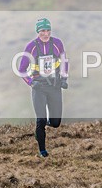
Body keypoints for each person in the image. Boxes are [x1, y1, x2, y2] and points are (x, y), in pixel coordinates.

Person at [17, 18, 68, 158]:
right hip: (38, 87)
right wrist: (31, 82)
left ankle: (46, 125)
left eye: (48, 30)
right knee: (41, 120)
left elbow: (64, 61)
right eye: (42, 31)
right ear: (38, 32)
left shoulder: (57, 43)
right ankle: (42, 150)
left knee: (56, 122)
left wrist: (64, 78)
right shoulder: (31, 47)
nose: (46, 34)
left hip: (54, 86)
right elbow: (21, 69)